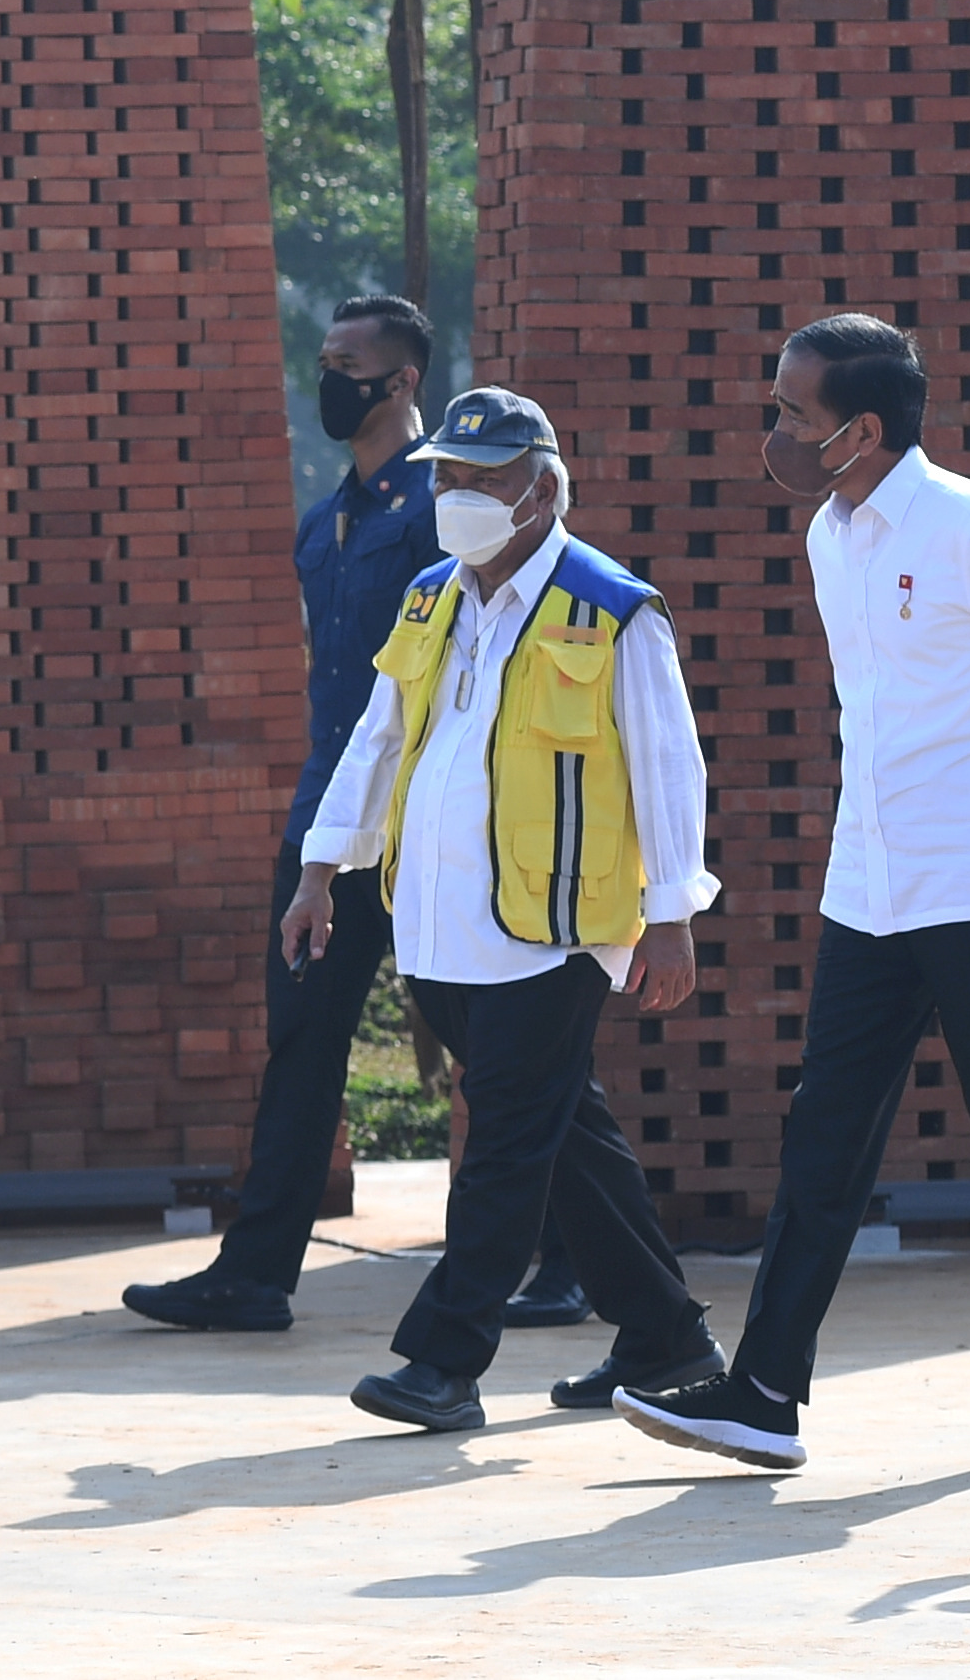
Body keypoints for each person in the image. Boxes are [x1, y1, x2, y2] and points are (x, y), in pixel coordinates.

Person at [620, 313, 970, 1475]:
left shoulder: (966, 524)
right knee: (822, 1140)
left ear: (863, 429)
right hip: (869, 885)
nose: (773, 432)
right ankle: (765, 1394)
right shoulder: (829, 536)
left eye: (792, 413)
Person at [279, 389, 724, 1432]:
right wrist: (320, 870)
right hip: (441, 925)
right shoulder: (432, 597)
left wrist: (671, 912)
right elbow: (378, 739)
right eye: (447, 476)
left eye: (482, 479)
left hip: (556, 930)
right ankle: (668, 1340)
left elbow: (668, 767)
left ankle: (443, 1361)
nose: (458, 496)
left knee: (509, 1148)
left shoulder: (611, 607)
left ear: (544, 489)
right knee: (564, 1134)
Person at [122, 297, 441, 1334]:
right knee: (301, 1043)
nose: (328, 379)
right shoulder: (327, 518)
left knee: (501, 1047)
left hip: (437, 822)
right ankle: (255, 1275)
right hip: (332, 825)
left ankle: (574, 1263)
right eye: (322, 359)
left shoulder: (447, 505)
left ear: (400, 381)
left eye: (348, 363)